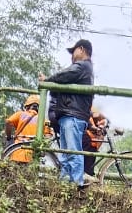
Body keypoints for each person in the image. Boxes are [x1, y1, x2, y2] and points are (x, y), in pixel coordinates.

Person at [39, 39, 94, 186]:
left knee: (72, 151)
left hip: (73, 115)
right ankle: (65, 184)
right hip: (68, 115)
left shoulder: (82, 66)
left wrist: (47, 80)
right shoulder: (83, 69)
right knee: (66, 152)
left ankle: (77, 184)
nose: (71, 55)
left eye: (73, 51)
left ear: (81, 49)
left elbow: (64, 75)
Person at [3, 94, 50, 163]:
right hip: (32, 157)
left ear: (27, 106)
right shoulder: (43, 120)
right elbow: (48, 137)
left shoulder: (20, 114)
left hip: (17, 153)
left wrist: (9, 136)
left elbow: (8, 122)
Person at [82, 106, 109, 178]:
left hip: (92, 141)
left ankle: (86, 180)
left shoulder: (93, 109)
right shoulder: (88, 108)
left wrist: (103, 124)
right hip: (87, 139)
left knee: (88, 166)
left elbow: (105, 120)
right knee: (87, 168)